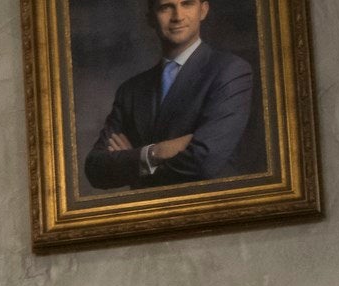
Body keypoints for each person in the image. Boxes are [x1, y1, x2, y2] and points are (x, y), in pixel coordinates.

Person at [82, 0, 255, 191]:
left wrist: (134, 160)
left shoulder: (229, 71)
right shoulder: (131, 90)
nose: (178, 16)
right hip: (148, 216)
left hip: (210, 211)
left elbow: (204, 161)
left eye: (187, 4)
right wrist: (156, 152)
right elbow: (95, 169)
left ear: (203, 10)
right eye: (166, 7)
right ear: (150, 18)